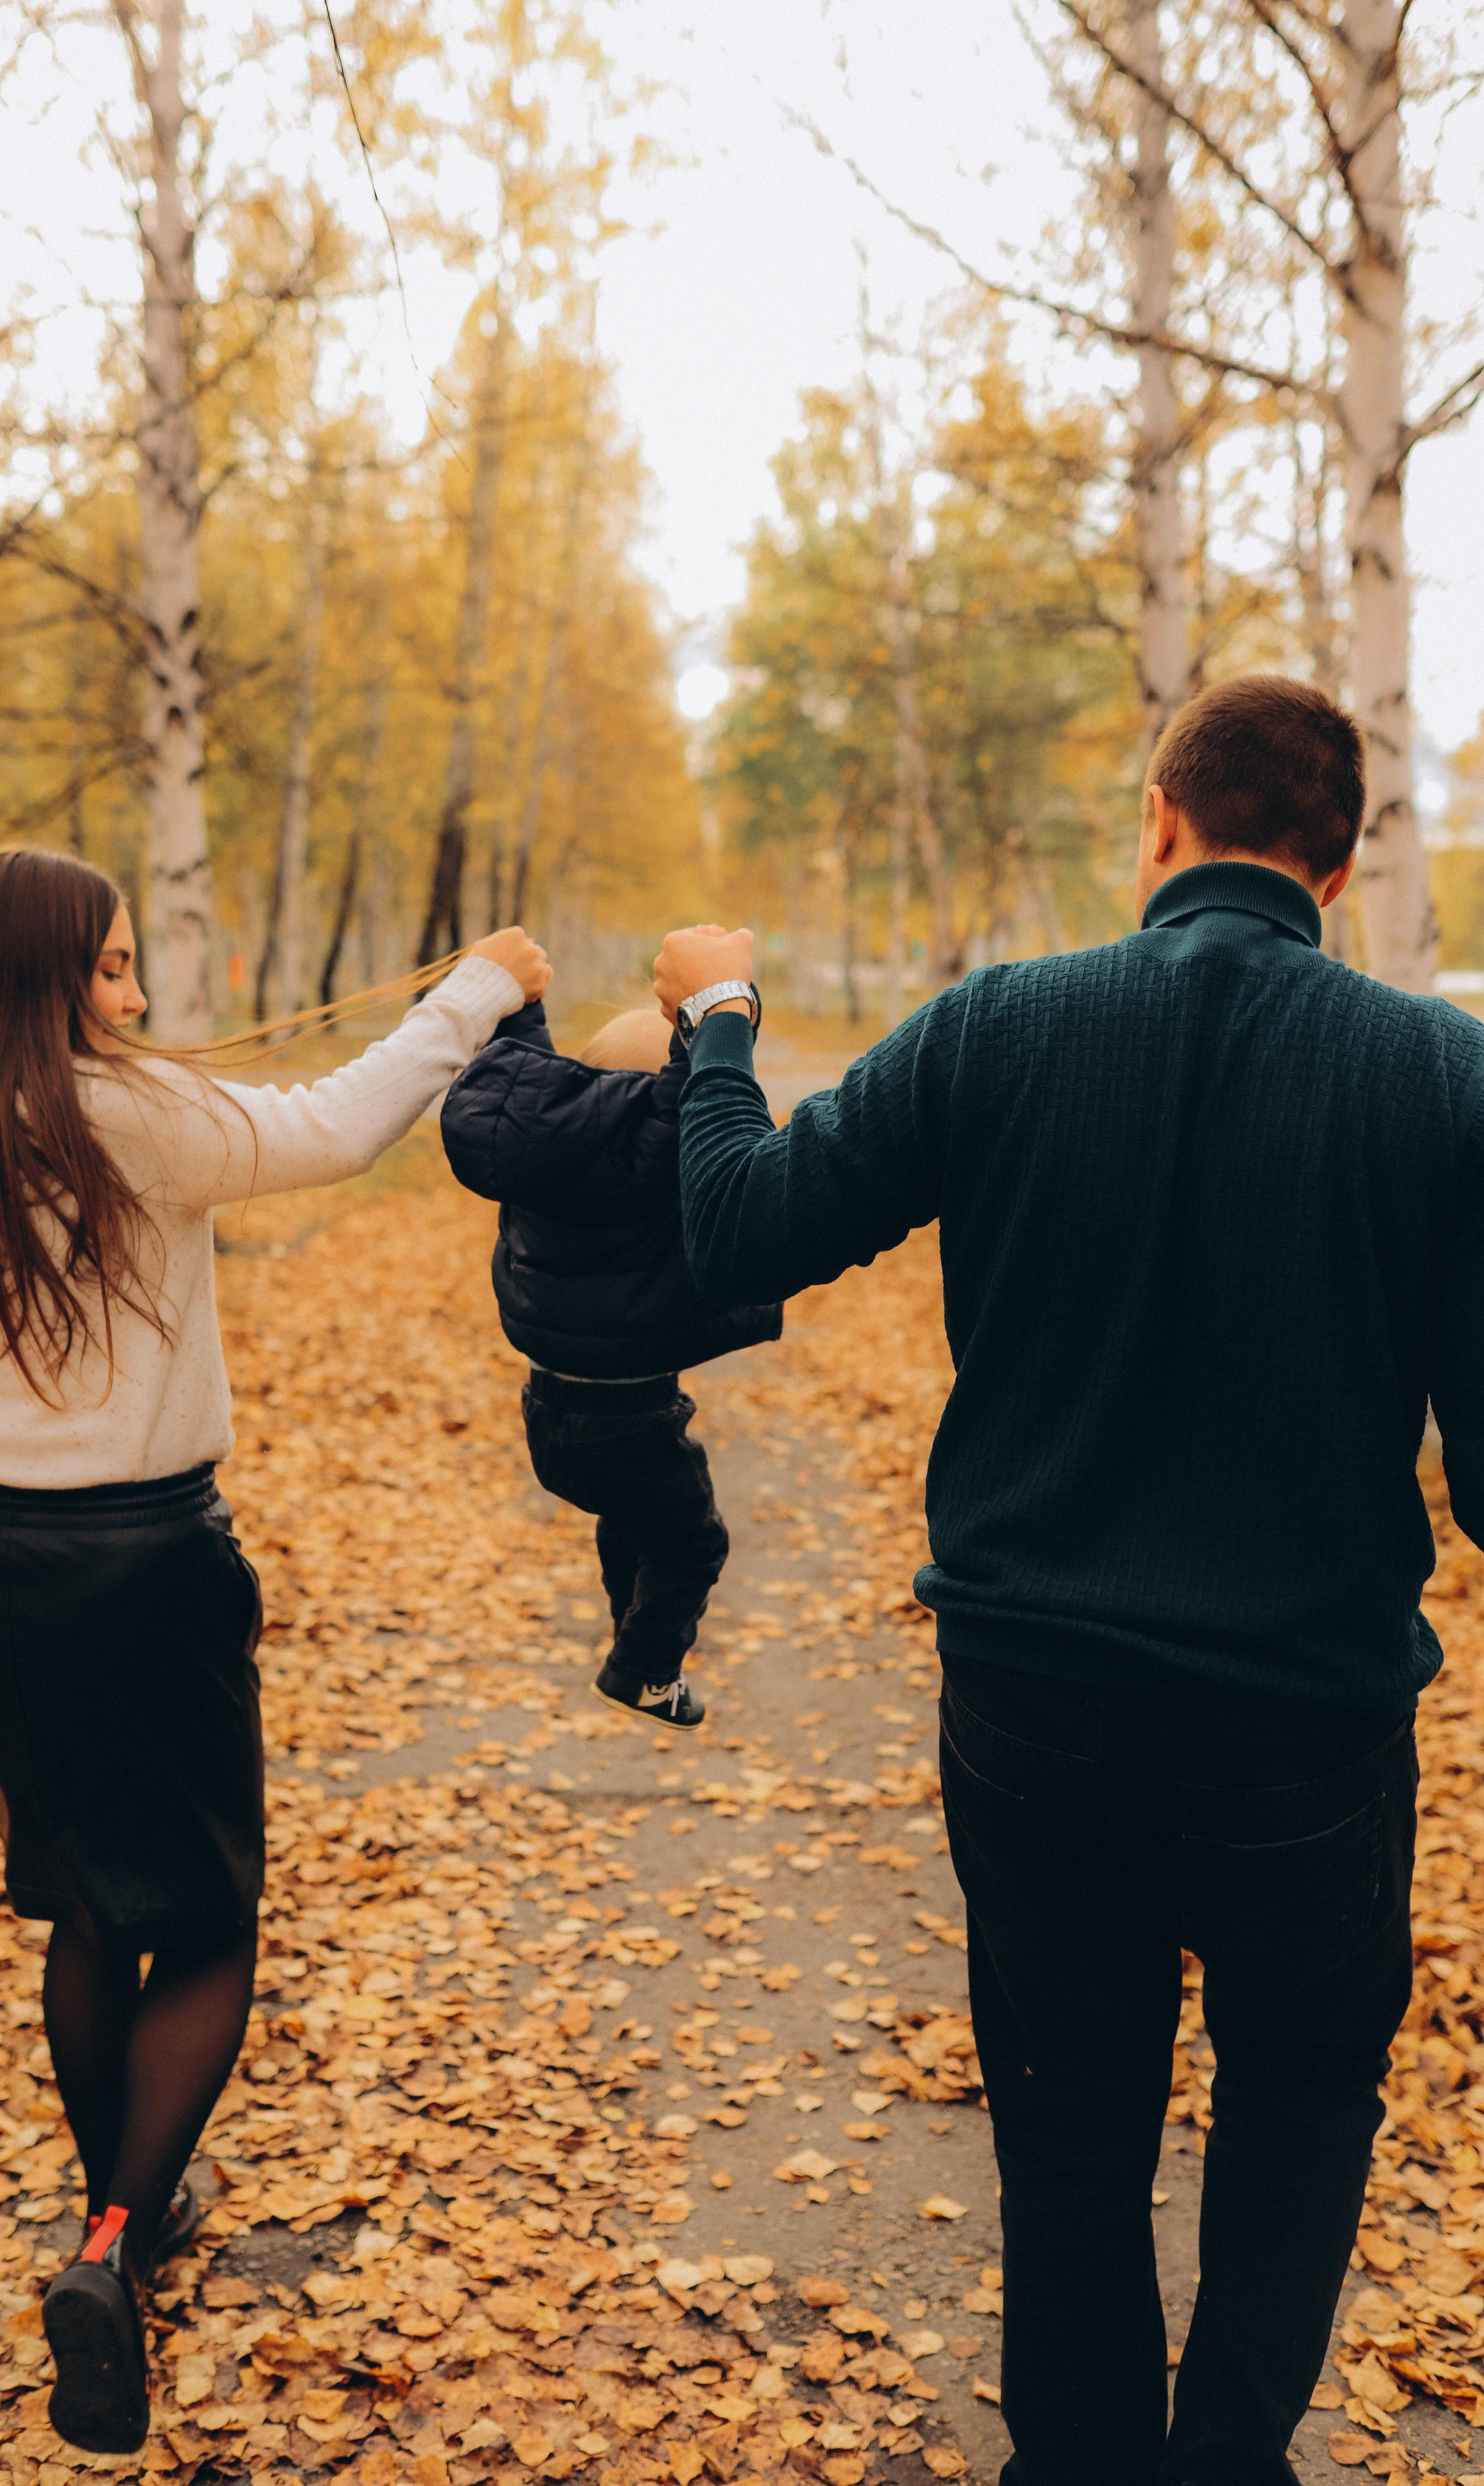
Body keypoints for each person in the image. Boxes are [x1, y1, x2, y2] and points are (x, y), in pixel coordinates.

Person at [653, 675, 1480, 2485]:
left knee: (1072, 2123)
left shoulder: (1004, 1028)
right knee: (1300, 2091)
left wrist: (721, 1022)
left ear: (1160, 822)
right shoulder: (1442, 1076)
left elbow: (736, 1232)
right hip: (1309, 1735)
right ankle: (1229, 2460)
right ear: (1335, 874)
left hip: (1038, 1713)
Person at [0, 847, 548, 2456]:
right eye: (111, 971)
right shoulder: (120, 1117)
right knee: (211, 1912)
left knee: (85, 1893)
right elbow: (340, 1126)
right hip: (142, 1558)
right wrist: (480, 985)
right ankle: (112, 2239)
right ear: (41, 979)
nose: (135, 998)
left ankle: (121, 2207)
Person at [438, 996, 781, 1732]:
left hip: (549, 1414)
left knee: (632, 1518)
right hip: (631, 1418)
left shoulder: (541, 1156)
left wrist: (522, 1007)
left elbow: (526, 1066)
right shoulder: (648, 1157)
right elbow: (691, 1099)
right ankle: (642, 1670)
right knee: (692, 1543)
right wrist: (714, 1012)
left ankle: (632, 1631)